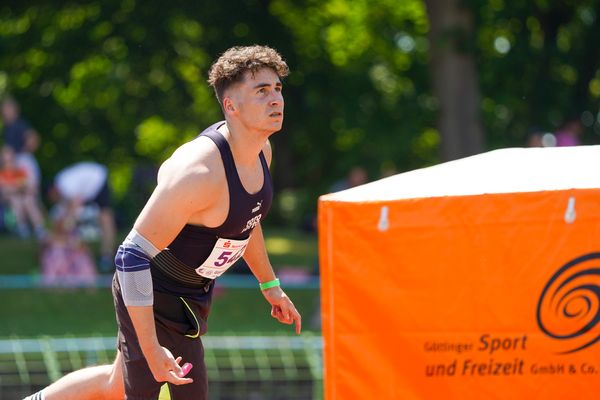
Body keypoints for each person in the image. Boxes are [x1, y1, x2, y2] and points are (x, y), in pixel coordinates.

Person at [25, 45, 301, 400]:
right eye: (261, 91)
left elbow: (247, 222)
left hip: (192, 294)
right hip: (152, 295)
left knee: (115, 384)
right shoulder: (197, 173)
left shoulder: (260, 150)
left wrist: (270, 285)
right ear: (230, 106)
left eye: (277, 89)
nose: (276, 99)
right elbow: (130, 257)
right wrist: (151, 348)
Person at [50, 161, 117, 272]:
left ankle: (106, 254)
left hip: (98, 179)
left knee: (105, 217)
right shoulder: (63, 183)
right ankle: (105, 255)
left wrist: (68, 222)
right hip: (94, 180)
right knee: (102, 216)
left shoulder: (64, 184)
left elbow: (76, 203)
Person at [0, 146, 46, 239]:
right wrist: (17, 187)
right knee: (16, 201)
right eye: (6, 161)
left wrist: (17, 187)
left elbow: (27, 186)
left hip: (22, 198)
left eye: (10, 160)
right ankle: (22, 228)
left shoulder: (19, 172)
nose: (9, 163)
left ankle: (39, 228)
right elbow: (4, 192)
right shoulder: (2, 174)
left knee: (28, 201)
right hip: (7, 204)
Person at [1, 97, 42, 193]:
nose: (5, 112)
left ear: (15, 110)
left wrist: (22, 151)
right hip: (16, 164)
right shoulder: (7, 128)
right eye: (4, 110)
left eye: (7, 109)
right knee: (19, 196)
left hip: (23, 162)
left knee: (29, 196)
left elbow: (33, 138)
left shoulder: (19, 124)